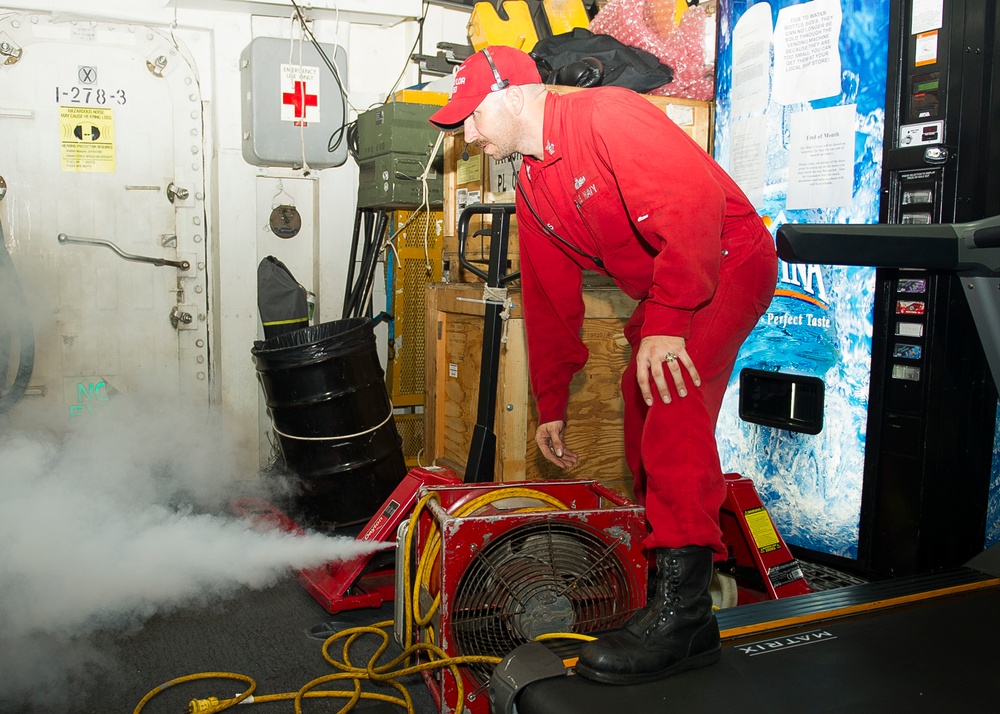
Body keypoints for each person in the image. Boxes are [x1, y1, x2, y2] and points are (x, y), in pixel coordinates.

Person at [430, 46, 777, 685]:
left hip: (725, 260)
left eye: (472, 117)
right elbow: (548, 300)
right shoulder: (535, 187)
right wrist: (552, 403)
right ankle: (678, 592)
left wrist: (670, 323)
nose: (469, 134)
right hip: (674, 283)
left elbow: (693, 206)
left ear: (512, 93)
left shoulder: (605, 115)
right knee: (638, 392)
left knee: (671, 394)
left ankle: (685, 611)